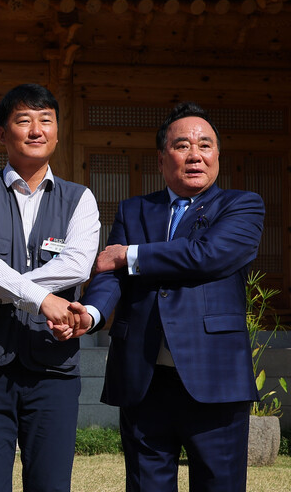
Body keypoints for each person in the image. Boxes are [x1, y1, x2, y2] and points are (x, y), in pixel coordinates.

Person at [69, 102, 264, 491]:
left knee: (219, 484)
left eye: (205, 146)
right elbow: (109, 273)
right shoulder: (135, 209)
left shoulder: (241, 206)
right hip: (144, 376)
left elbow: (207, 255)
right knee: (146, 484)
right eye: (182, 146)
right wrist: (91, 312)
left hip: (215, 377)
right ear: (161, 159)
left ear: (218, 156)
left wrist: (132, 254)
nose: (195, 155)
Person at [0, 83, 100, 491]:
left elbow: (77, 264)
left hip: (54, 368)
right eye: (23, 120)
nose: (36, 130)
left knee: (51, 484)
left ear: (57, 130)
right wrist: (42, 299)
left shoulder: (79, 198)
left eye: (45, 120)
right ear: (3, 133)